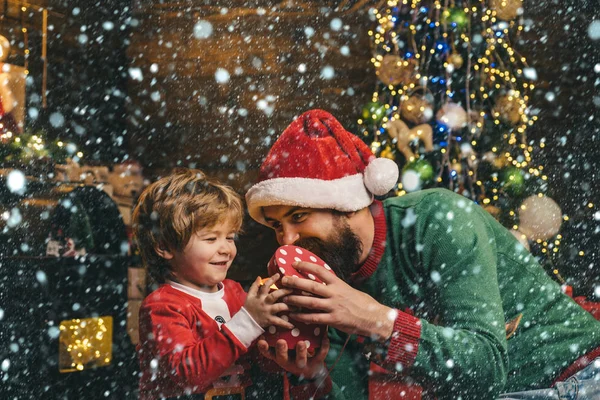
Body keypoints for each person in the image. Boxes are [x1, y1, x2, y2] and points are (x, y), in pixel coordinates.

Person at [245, 109, 600, 399]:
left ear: (347, 206)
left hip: (573, 375)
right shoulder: (331, 281)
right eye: (277, 225)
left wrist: (375, 319)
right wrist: (312, 376)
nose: (287, 240)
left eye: (299, 217)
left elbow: (487, 369)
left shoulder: (440, 219)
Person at [132, 168, 294, 400]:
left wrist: (277, 344)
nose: (226, 249)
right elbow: (187, 374)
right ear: (165, 247)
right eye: (210, 238)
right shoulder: (162, 306)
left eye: (230, 237)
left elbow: (258, 361)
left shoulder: (235, 292)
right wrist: (249, 322)